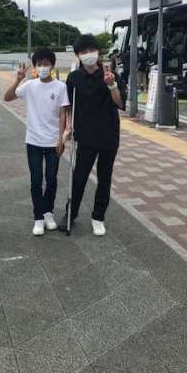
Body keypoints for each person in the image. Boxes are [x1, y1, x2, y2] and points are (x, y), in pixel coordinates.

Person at [58, 34, 126, 236]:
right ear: (78, 55)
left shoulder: (110, 75)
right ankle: (71, 214)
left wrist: (112, 85)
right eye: (83, 51)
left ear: (98, 52)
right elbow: (68, 106)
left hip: (108, 134)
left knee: (105, 178)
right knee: (79, 177)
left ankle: (98, 217)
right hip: (85, 135)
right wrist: (68, 128)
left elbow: (120, 103)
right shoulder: (74, 78)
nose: (88, 54)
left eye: (91, 50)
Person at [4, 48, 70, 236]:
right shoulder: (29, 85)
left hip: (53, 141)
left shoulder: (60, 87)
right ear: (34, 66)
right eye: (39, 64)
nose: (42, 67)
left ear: (52, 65)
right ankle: (38, 217)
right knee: (36, 180)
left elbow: (63, 114)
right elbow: (7, 97)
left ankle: (48, 212)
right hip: (33, 141)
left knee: (51, 179)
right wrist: (17, 80)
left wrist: (61, 138)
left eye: (46, 63)